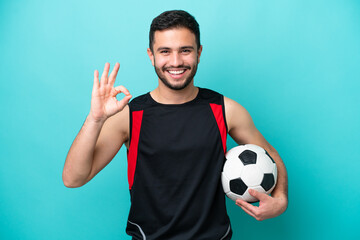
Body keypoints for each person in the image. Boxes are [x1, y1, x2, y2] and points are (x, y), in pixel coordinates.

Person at [63, 10, 288, 240]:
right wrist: (95, 119)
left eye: (185, 50)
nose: (176, 62)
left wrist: (280, 200)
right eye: (165, 51)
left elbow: (269, 153)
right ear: (151, 55)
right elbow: (73, 178)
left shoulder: (225, 110)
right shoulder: (130, 116)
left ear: (199, 53)